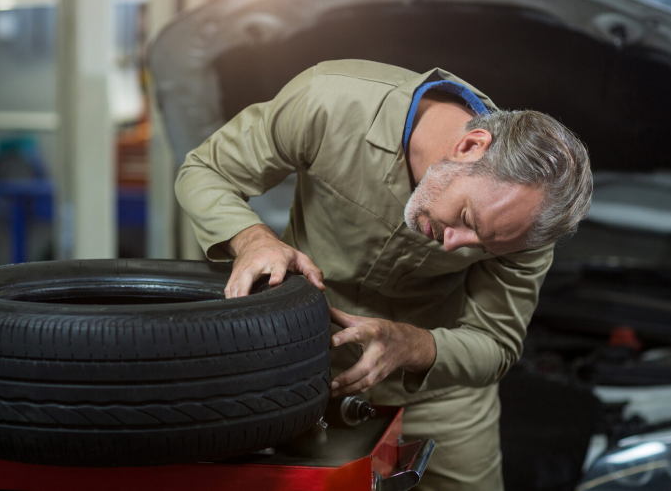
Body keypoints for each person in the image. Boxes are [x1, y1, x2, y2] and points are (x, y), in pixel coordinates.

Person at [175, 59, 592, 491]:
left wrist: (411, 344)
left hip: (435, 395)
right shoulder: (331, 102)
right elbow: (206, 170)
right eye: (465, 216)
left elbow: (496, 344)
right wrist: (253, 239)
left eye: (482, 247)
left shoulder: (525, 227)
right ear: (470, 146)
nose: (454, 244)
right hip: (299, 367)